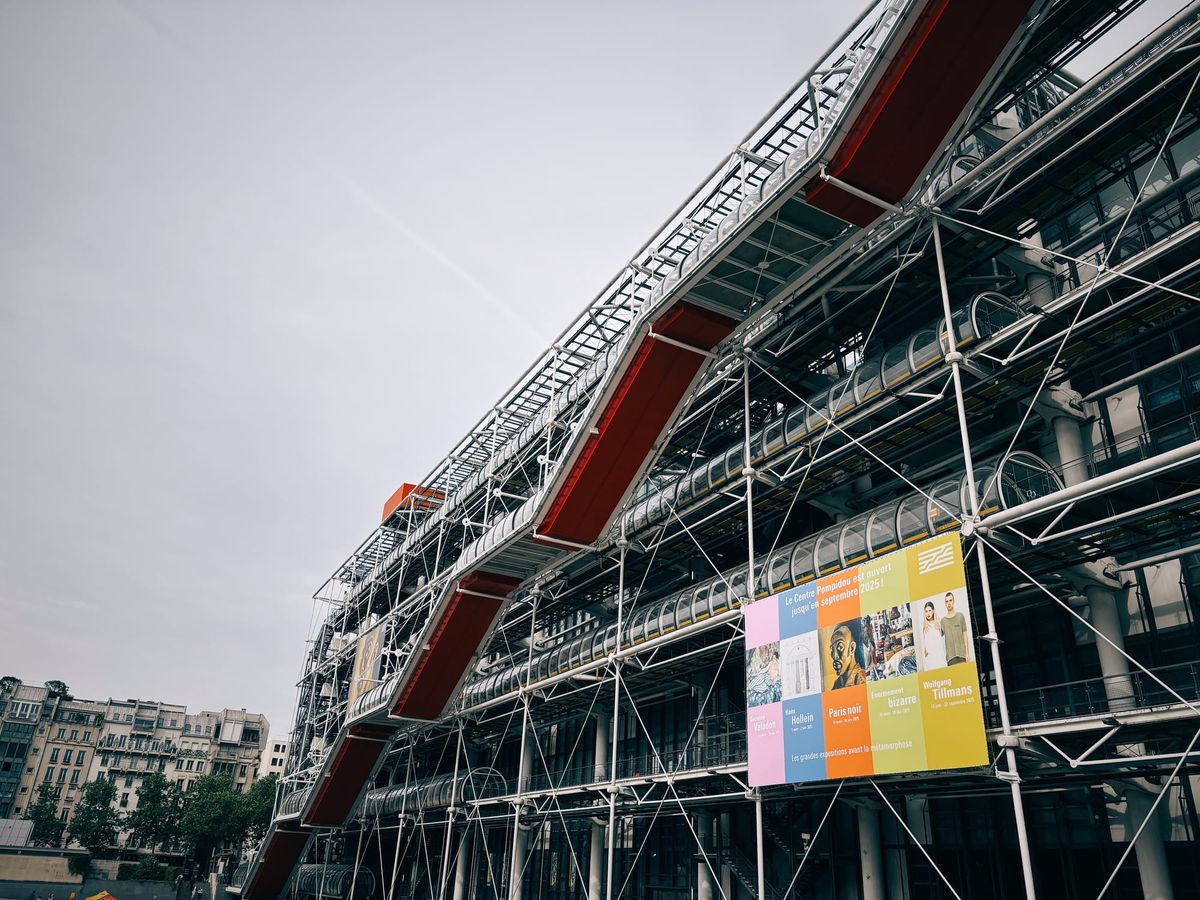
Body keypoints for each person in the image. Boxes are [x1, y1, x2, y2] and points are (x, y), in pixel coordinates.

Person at [829, 620, 868, 689]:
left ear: (852, 648)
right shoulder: (837, 683)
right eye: (832, 649)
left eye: (840, 647)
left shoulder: (861, 681)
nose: (835, 656)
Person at [940, 592, 970, 665]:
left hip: (962, 656)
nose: (949, 603)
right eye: (946, 601)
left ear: (954, 601)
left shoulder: (960, 616)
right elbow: (936, 636)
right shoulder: (943, 621)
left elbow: (965, 636)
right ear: (945, 603)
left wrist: (967, 653)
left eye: (950, 600)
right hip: (950, 658)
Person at [921, 600, 947, 669]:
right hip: (930, 657)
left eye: (929, 610)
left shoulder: (938, 623)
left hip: (939, 655)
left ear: (933, 611)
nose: (928, 613)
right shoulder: (924, 625)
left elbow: (943, 640)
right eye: (926, 611)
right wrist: (924, 650)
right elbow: (923, 642)